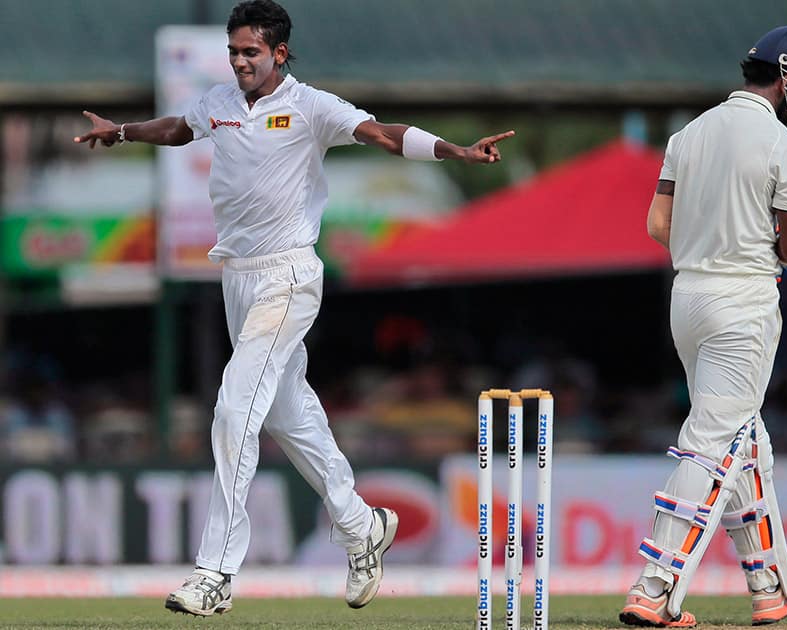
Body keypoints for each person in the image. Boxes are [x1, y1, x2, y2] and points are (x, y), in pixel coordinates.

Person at [74, 0, 513, 617]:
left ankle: (216, 572)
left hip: (288, 277)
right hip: (237, 278)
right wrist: (122, 131)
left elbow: (384, 134)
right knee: (289, 416)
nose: (239, 62)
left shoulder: (312, 106)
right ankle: (362, 526)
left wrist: (455, 150)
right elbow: (179, 127)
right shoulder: (219, 103)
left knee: (233, 410)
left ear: (279, 52)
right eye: (233, 51)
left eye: (250, 52)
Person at [619, 26, 787, 628]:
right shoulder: (782, 144)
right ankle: (654, 587)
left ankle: (772, 587)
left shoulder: (688, 134)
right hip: (744, 302)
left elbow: (660, 224)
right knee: (714, 440)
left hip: (688, 299)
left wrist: (711, 242)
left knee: (745, 443)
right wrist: (779, 239)